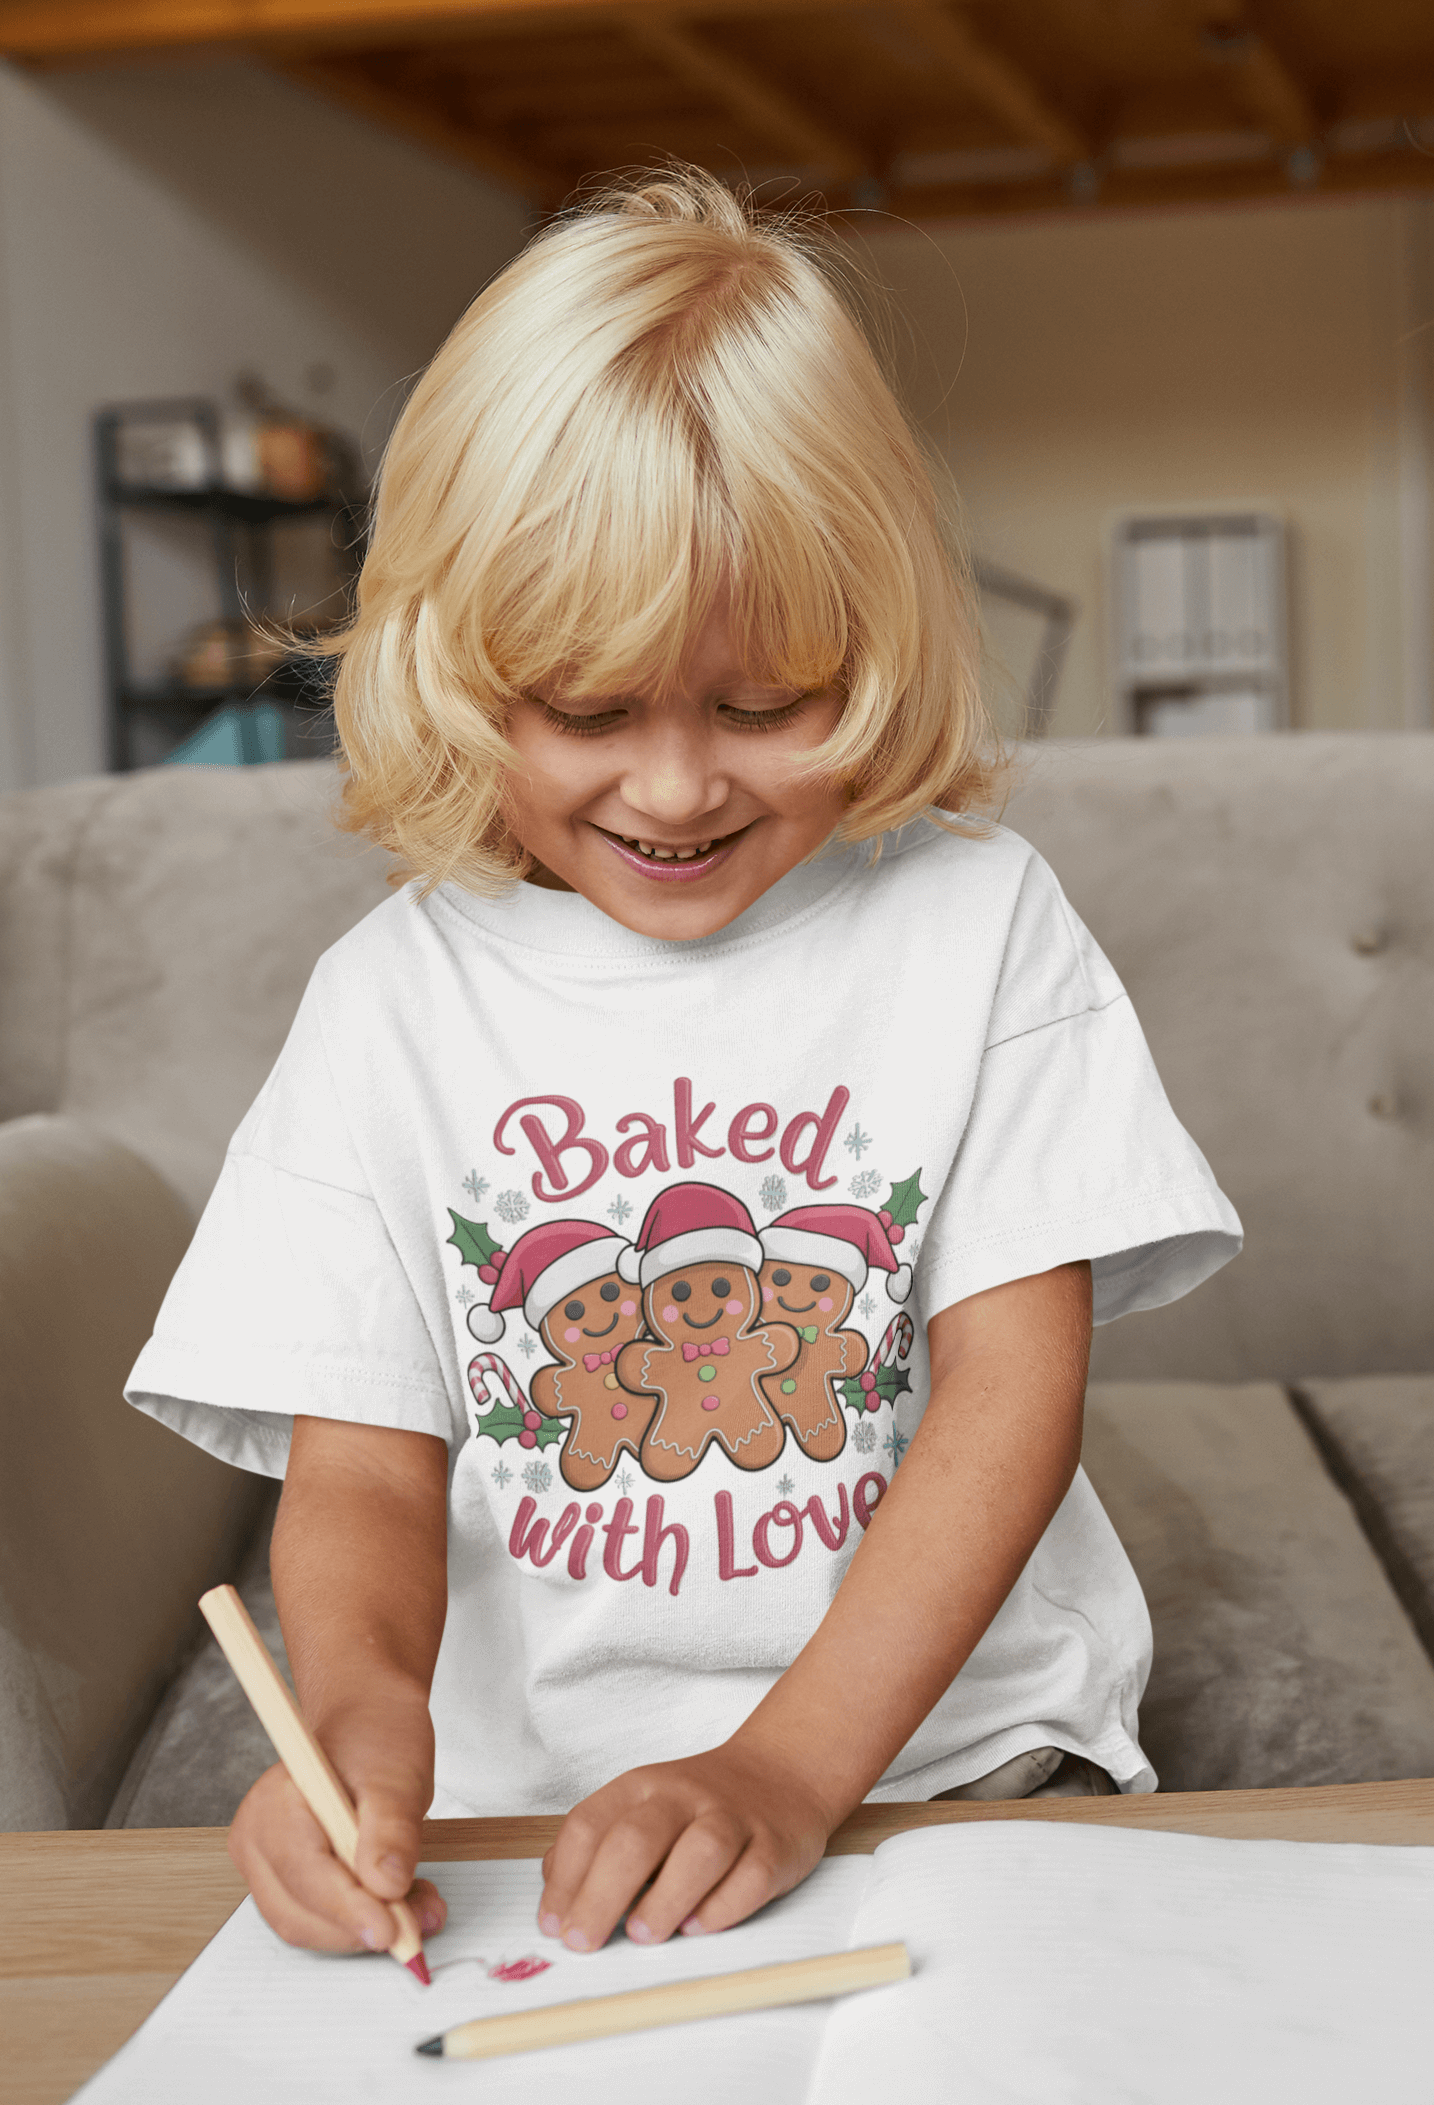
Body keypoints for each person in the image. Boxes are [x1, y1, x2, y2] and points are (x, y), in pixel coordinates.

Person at [127, 168, 1240, 1965]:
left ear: (871, 650)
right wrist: (356, 1730)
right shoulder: (386, 1002)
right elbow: (361, 1475)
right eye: (585, 710)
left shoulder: (979, 924)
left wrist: (790, 1769)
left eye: (760, 704)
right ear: (456, 666)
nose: (672, 788)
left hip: (958, 1766)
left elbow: (1007, 1401)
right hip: (532, 1820)